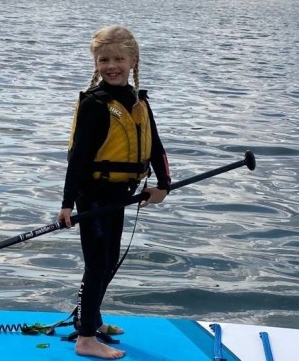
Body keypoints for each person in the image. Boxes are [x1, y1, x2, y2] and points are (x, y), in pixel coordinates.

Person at [57, 25, 171, 359]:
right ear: (95, 63)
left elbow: (156, 147)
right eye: (104, 59)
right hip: (92, 195)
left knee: (107, 262)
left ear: (133, 60)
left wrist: (163, 185)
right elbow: (77, 159)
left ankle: (90, 318)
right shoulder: (95, 104)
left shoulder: (139, 102)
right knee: (97, 264)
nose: (112, 65)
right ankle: (86, 338)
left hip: (121, 195)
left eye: (119, 58)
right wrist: (66, 204)